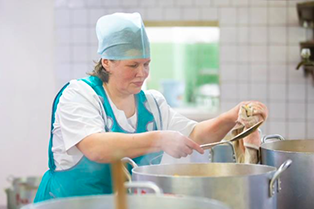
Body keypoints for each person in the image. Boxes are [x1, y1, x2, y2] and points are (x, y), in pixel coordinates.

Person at [34, 12, 268, 202]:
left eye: (146, 64)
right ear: (107, 62)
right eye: (133, 65)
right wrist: (160, 139)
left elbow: (195, 135)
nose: (142, 73)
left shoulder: (152, 103)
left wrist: (232, 116)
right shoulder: (79, 95)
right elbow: (96, 147)